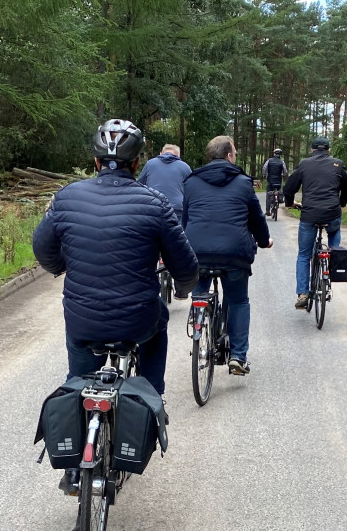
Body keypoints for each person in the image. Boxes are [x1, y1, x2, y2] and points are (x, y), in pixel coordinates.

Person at [33, 119, 199, 493]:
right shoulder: (154, 202)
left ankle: (75, 464)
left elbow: (43, 249)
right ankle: (152, 396)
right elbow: (185, 267)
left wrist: (62, 265)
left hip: (83, 318)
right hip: (137, 318)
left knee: (78, 372)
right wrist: (186, 289)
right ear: (138, 163)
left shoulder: (67, 197)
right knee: (157, 329)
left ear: (94, 161)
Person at [180, 134, 272, 375]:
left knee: (199, 287)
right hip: (234, 254)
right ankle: (238, 357)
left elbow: (185, 220)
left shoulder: (190, 182)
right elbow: (257, 219)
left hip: (197, 251)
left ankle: (198, 314)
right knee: (239, 300)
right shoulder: (243, 183)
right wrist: (264, 241)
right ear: (229, 156)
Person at [283, 136, 347, 309]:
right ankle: (332, 258)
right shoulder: (337, 164)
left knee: (304, 255)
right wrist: (341, 203)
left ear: (312, 150)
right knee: (334, 232)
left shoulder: (305, 164)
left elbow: (289, 188)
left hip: (309, 215)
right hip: (332, 213)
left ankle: (303, 293)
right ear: (328, 150)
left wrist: (289, 203)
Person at [137, 143, 193, 298]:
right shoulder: (184, 167)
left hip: (151, 209)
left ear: (161, 153)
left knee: (148, 246)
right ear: (178, 155)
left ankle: (146, 285)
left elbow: (138, 185)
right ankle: (181, 290)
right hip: (176, 210)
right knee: (179, 246)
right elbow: (191, 191)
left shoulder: (150, 164)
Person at [263, 147, 288, 214]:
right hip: (278, 181)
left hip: (270, 181)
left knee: (268, 194)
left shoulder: (269, 161)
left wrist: (264, 175)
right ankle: (279, 200)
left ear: (274, 154)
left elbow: (264, 168)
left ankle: (267, 210)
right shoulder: (282, 162)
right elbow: (285, 171)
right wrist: (283, 175)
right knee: (279, 190)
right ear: (280, 155)